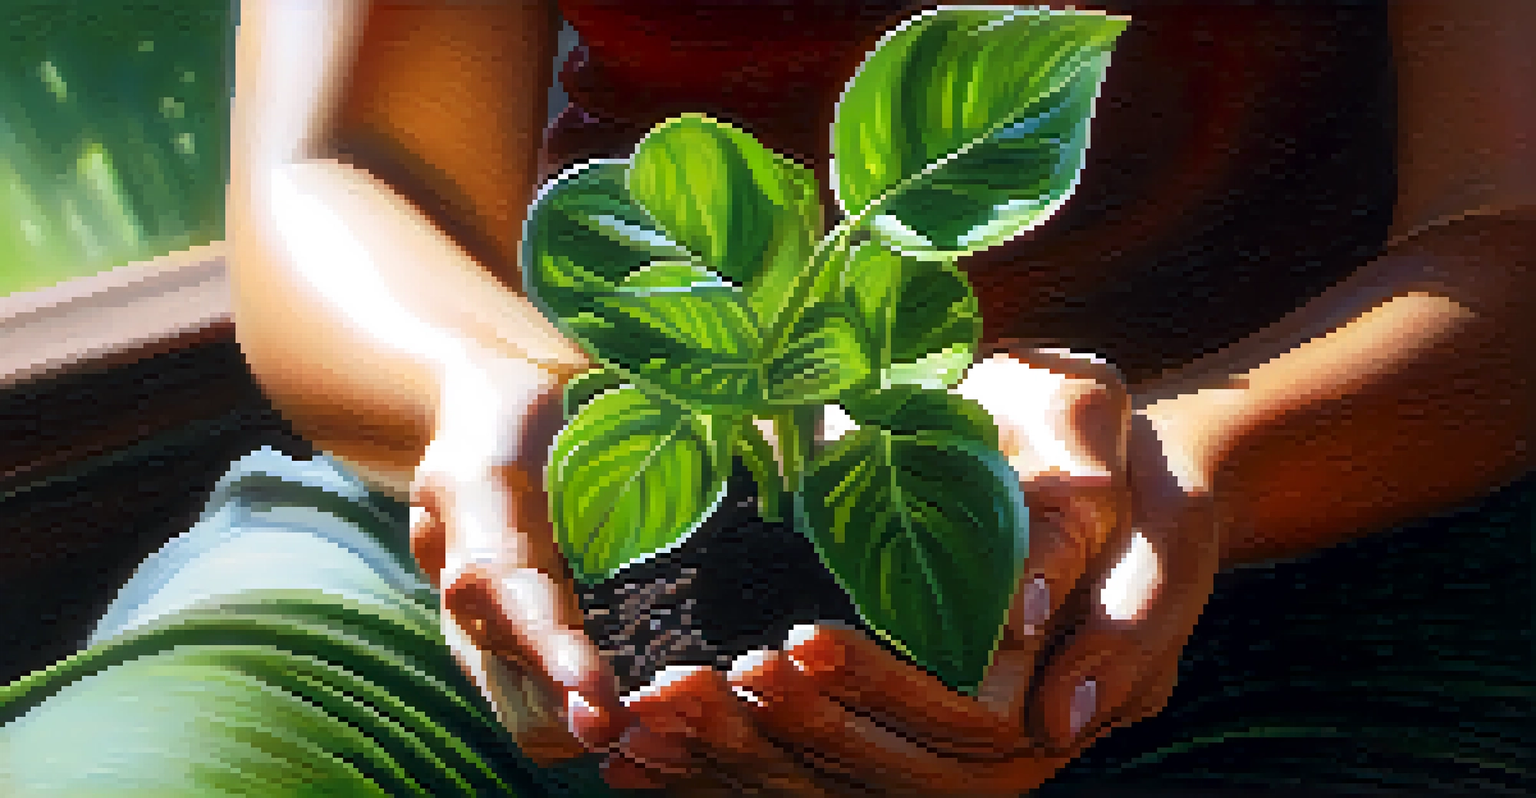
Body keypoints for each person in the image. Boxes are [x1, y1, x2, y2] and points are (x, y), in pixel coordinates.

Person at [1, 1, 1529, 796]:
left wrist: (1196, 460)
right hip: (527, 512)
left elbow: (1507, 228)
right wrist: (512, 408)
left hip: (1313, 555)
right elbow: (345, 164)